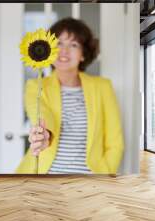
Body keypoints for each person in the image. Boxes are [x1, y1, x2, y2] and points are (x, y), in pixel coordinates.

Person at [16, 18, 124, 174]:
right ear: (49, 49)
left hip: (90, 182)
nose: (64, 51)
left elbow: (115, 143)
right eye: (58, 43)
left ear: (83, 54)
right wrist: (45, 135)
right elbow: (40, 116)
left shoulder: (103, 87)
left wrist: (104, 176)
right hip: (46, 177)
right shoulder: (36, 86)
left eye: (73, 45)